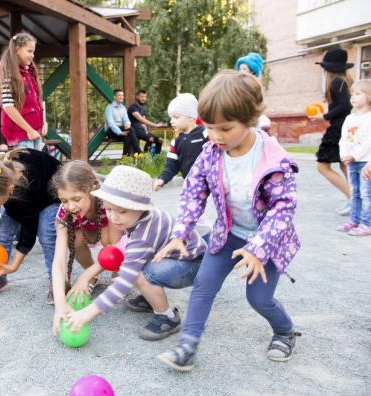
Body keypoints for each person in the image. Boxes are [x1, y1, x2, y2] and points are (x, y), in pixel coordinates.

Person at [156, 70, 300, 372]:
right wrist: (180, 232)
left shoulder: (275, 160)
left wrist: (258, 248)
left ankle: (285, 331)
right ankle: (187, 347)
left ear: (249, 120)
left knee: (259, 299)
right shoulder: (210, 154)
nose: (216, 136)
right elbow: (193, 193)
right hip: (228, 236)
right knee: (203, 286)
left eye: (225, 128)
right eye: (209, 128)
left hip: (266, 243)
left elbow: (283, 209)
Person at [63, 166, 206, 340]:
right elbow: (123, 254)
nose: (114, 217)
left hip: (194, 265)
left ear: (141, 208)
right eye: (108, 209)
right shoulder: (138, 220)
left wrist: (88, 313)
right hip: (177, 258)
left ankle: (167, 316)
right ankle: (151, 297)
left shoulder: (144, 233)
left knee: (137, 274)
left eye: (122, 211)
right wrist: (87, 275)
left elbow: (126, 279)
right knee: (133, 262)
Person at [0, 148, 60, 302]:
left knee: (46, 235)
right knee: (4, 231)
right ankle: (0, 275)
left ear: (9, 190)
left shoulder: (27, 184)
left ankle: (56, 279)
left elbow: (29, 229)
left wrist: (15, 265)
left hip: (49, 194)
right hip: (21, 197)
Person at [49, 160, 125, 314]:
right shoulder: (64, 214)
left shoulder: (108, 200)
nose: (70, 206)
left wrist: (84, 276)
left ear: (92, 189)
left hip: (108, 225)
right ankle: (93, 277)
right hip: (85, 227)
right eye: (64, 201)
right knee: (74, 242)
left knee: (108, 241)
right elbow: (59, 260)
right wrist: (60, 303)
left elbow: (116, 245)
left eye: (76, 199)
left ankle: (118, 275)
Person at [309, 47, 353, 215]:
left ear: (329, 69)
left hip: (339, 129)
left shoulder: (336, 82)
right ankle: (355, 199)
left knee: (322, 167)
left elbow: (345, 106)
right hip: (347, 128)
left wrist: (324, 116)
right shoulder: (345, 81)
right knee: (344, 164)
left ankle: (354, 200)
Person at [0, 32, 47, 151]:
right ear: (18, 49)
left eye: (33, 52)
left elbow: (38, 99)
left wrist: (44, 122)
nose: (32, 55)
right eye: (29, 51)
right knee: (26, 168)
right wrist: (29, 130)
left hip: (34, 132)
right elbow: (8, 106)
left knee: (36, 167)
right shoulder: (9, 72)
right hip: (22, 134)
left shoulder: (29, 71)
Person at [337, 79, 371, 236]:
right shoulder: (350, 118)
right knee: (355, 192)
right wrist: (344, 154)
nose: (353, 97)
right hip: (351, 161)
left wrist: (354, 155)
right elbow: (343, 138)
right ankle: (354, 220)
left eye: (358, 94)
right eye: (352, 94)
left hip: (365, 162)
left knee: (366, 194)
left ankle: (367, 224)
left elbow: (369, 142)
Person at [154, 93, 207, 191]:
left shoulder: (205, 133)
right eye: (171, 118)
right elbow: (171, 166)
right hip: (191, 185)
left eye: (176, 117)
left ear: (191, 117)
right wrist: (162, 179)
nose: (171, 121)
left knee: (224, 205)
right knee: (186, 206)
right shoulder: (176, 142)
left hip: (212, 181)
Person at [127, 89, 166, 153]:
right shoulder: (133, 107)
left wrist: (146, 130)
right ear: (137, 97)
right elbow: (142, 120)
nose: (143, 99)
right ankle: (145, 157)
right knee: (151, 139)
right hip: (134, 130)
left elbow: (143, 123)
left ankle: (156, 158)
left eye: (145, 97)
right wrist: (155, 125)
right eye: (141, 97)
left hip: (141, 129)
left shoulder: (143, 108)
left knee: (160, 140)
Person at [105, 89, 141, 157]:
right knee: (131, 130)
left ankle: (125, 158)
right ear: (114, 97)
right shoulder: (109, 108)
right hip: (111, 131)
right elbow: (111, 123)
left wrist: (127, 124)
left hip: (122, 129)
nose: (121, 97)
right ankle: (138, 151)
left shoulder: (123, 107)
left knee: (127, 138)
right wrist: (119, 132)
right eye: (119, 95)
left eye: (122, 95)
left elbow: (126, 119)